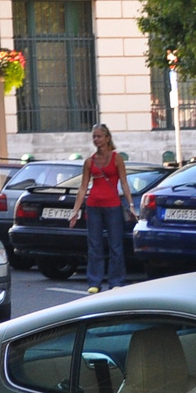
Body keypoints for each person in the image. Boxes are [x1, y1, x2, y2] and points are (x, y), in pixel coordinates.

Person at [67, 124, 135, 293]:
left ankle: (117, 281)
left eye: (99, 136)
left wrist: (131, 205)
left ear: (107, 138)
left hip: (113, 206)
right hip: (94, 206)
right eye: (94, 137)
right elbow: (83, 188)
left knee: (115, 246)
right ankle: (94, 283)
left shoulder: (117, 158)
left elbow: (124, 183)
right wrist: (75, 211)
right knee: (94, 245)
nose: (96, 139)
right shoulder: (89, 161)